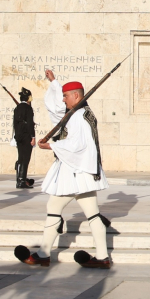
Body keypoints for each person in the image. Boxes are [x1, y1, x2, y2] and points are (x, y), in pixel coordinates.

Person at [14, 69, 112, 268]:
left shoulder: (80, 116)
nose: (64, 100)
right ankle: (102, 257)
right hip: (81, 172)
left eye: (66, 96)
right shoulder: (80, 113)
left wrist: (51, 145)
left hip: (75, 172)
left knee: (54, 208)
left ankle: (43, 255)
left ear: (76, 95)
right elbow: (57, 111)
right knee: (92, 214)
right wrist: (54, 83)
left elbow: (78, 145)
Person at [13, 87, 36, 189]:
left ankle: (19, 179)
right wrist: (33, 137)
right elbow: (30, 124)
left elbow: (15, 124)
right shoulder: (28, 108)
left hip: (18, 136)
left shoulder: (17, 108)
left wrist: (17, 135)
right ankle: (22, 180)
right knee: (25, 159)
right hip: (26, 136)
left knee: (20, 158)